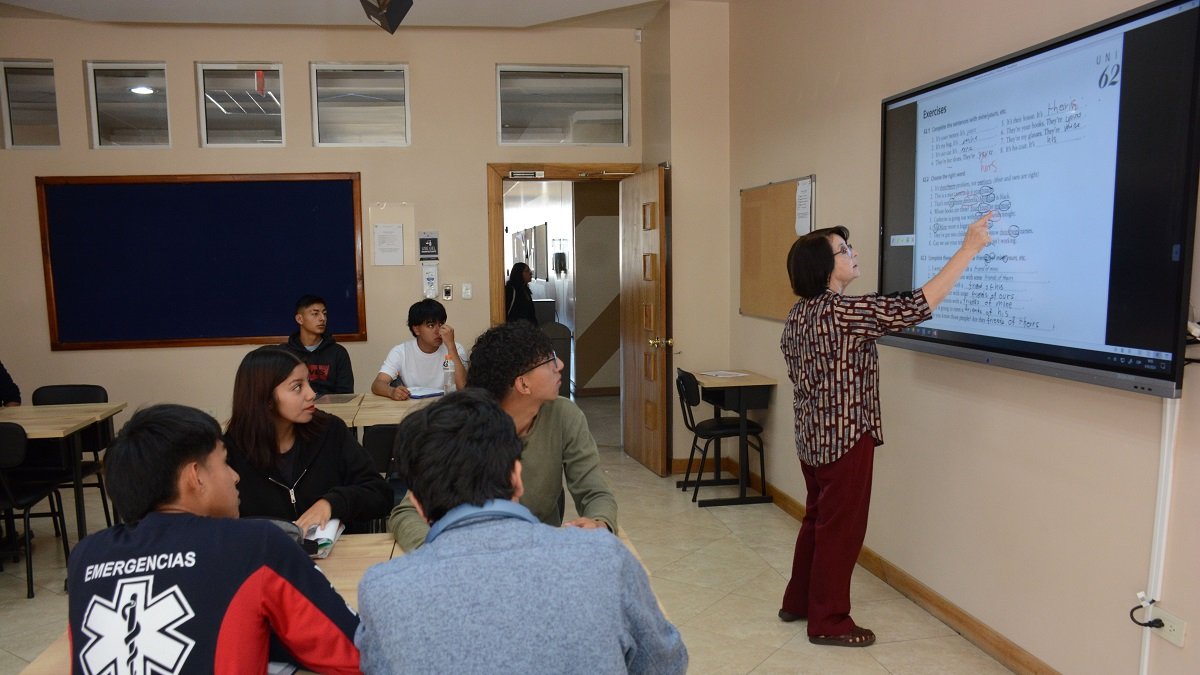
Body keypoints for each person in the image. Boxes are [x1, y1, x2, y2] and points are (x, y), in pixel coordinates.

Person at [357, 389, 687, 674]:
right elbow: (666, 664)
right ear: (517, 477)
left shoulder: (383, 591)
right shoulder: (605, 558)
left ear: (416, 503)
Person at [778, 211, 993, 647]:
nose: (853, 254)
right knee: (840, 531)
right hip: (845, 439)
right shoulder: (844, 312)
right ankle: (829, 621)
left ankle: (798, 602)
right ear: (824, 268)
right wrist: (968, 249)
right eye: (844, 250)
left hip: (812, 438)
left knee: (818, 521)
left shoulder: (798, 314)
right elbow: (918, 305)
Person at [66, 404, 361, 674]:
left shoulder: (86, 555)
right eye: (224, 462)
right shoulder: (255, 545)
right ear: (195, 476)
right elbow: (356, 653)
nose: (235, 476)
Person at [388, 320, 617, 551]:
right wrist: (443, 552)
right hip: (473, 553)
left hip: (540, 551)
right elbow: (407, 513)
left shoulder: (564, 415)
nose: (560, 365)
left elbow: (595, 492)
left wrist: (600, 523)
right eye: (550, 360)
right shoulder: (464, 425)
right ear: (523, 384)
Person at [225, 346, 391, 534]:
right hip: (267, 551)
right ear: (265, 398)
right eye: (297, 387)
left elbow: (380, 494)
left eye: (308, 383)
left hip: (339, 549)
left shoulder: (330, 430)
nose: (312, 394)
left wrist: (332, 503)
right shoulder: (230, 451)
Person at [370, 298, 467, 400]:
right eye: (431, 325)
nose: (438, 331)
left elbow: (464, 388)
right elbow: (377, 384)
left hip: (446, 404)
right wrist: (392, 392)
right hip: (412, 405)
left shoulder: (455, 348)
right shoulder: (401, 352)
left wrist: (451, 346)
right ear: (416, 329)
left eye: (441, 324)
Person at [282, 294, 354, 397]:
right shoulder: (285, 353)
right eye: (315, 314)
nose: (322, 318)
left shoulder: (338, 352)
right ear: (299, 319)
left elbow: (345, 394)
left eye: (324, 314)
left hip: (332, 405)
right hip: (296, 405)